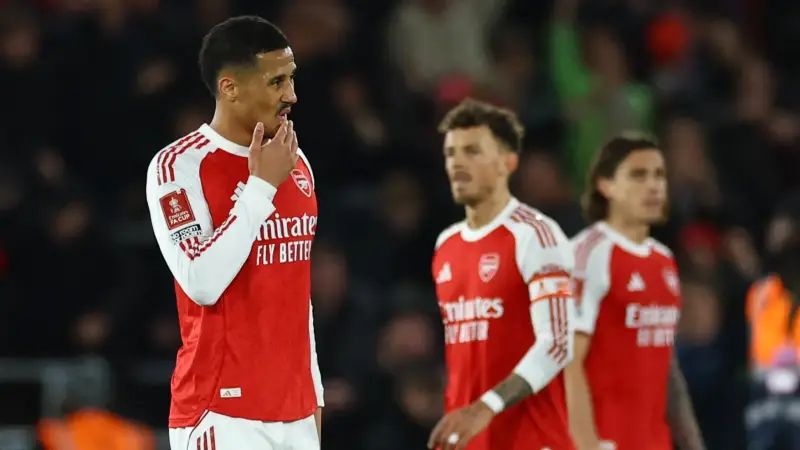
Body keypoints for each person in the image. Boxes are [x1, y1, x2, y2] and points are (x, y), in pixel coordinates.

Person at [144, 16, 323, 450]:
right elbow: (201, 281)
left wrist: (314, 398)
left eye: (291, 79)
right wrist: (261, 187)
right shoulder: (178, 167)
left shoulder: (295, 161)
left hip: (295, 413)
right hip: (221, 413)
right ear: (230, 88)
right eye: (276, 81)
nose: (291, 95)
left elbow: (297, 291)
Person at [428, 99, 576, 450]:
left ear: (508, 162)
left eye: (473, 151)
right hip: (472, 440)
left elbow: (557, 344)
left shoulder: (535, 235)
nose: (457, 163)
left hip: (533, 440)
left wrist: (487, 406)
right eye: (451, 153)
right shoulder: (446, 245)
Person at [566, 133, 704, 450]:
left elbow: (665, 366)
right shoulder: (589, 254)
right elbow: (565, 363)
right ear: (606, 185)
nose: (653, 186)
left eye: (659, 175)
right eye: (638, 175)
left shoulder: (663, 260)